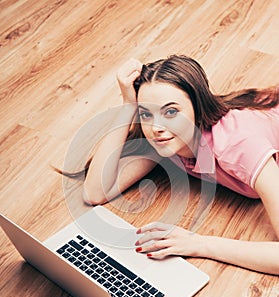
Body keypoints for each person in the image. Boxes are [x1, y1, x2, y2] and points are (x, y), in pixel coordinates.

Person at [62, 55, 279, 275]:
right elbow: (95, 192)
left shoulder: (239, 144)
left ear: (198, 107)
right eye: (146, 113)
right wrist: (128, 106)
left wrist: (199, 244)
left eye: (171, 112)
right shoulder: (168, 139)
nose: (156, 127)